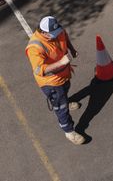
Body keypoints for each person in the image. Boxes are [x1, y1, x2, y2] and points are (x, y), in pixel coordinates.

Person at [25, 16, 85, 145]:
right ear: (44, 33)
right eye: (53, 34)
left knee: (65, 90)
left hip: (64, 74)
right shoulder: (35, 47)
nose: (57, 35)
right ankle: (69, 131)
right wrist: (62, 62)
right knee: (61, 107)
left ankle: (65, 101)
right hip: (51, 82)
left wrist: (72, 49)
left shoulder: (57, 30)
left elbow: (65, 36)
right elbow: (39, 70)